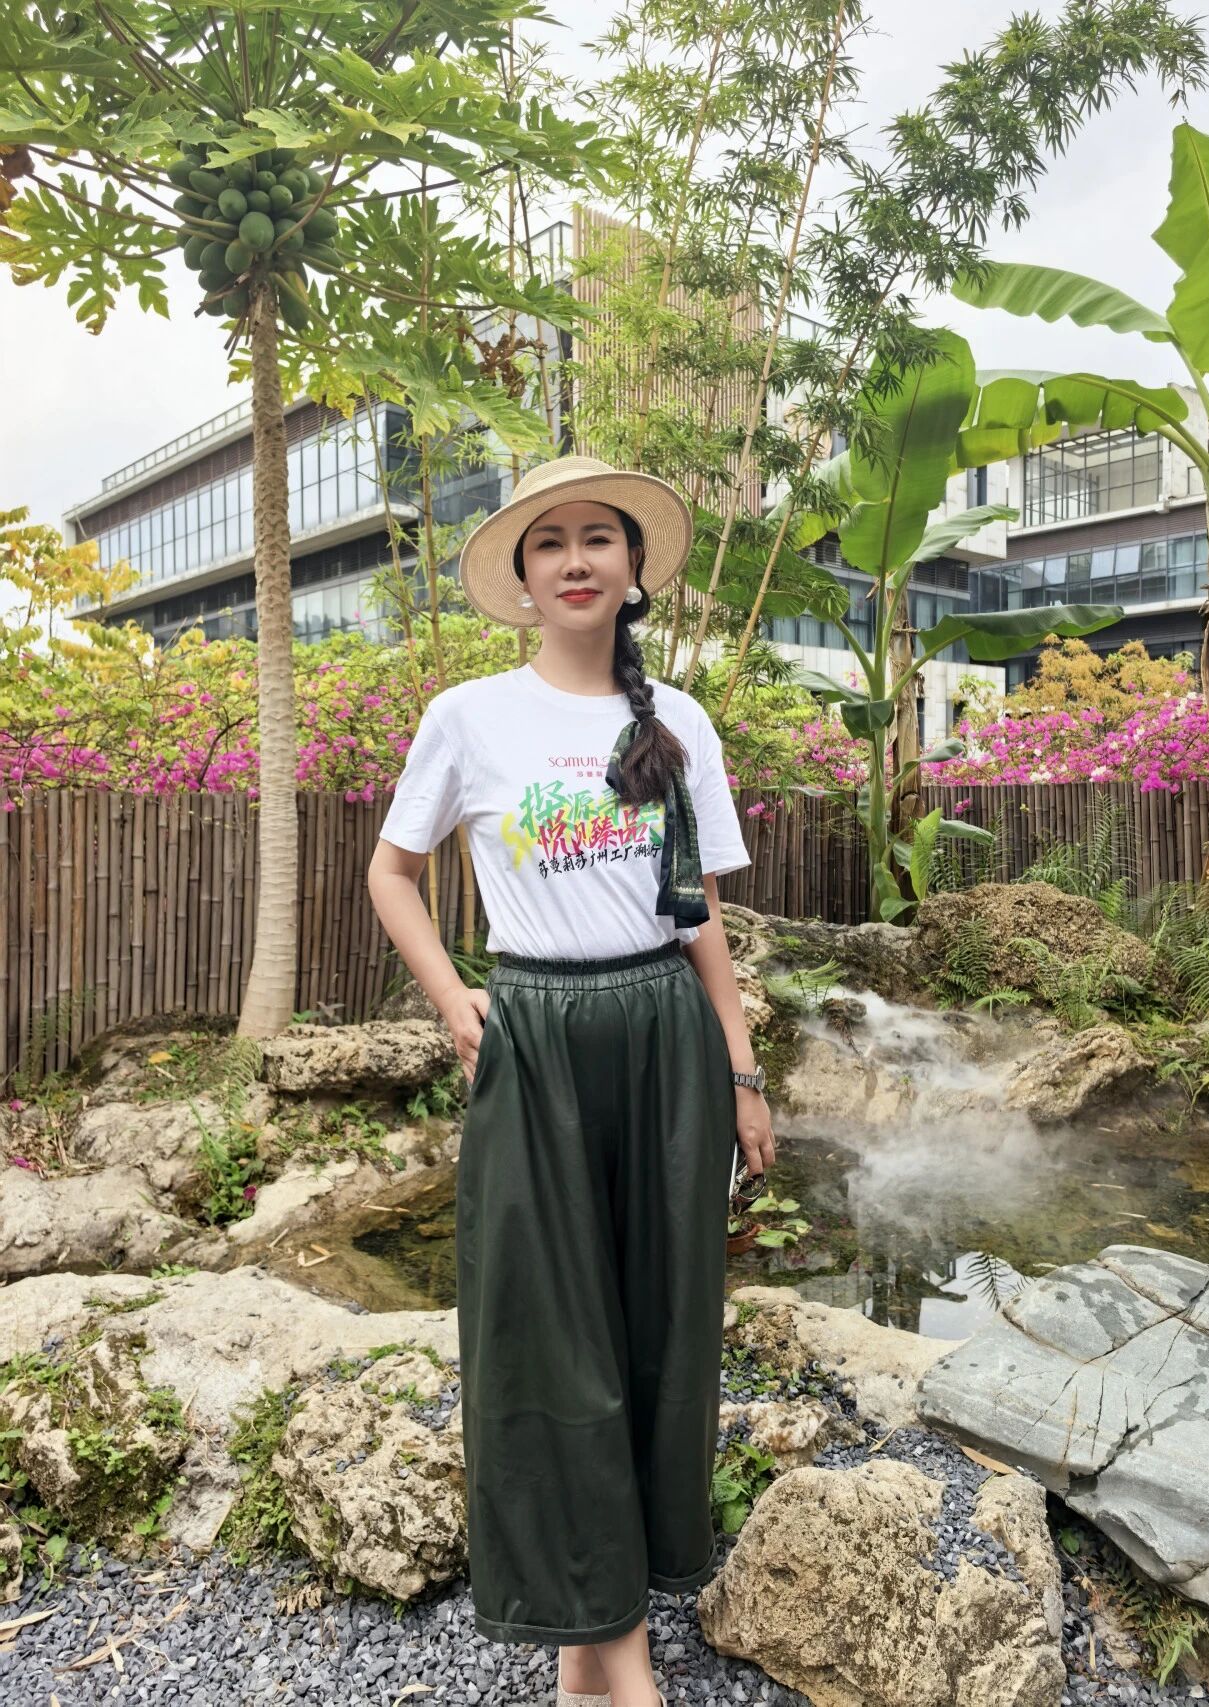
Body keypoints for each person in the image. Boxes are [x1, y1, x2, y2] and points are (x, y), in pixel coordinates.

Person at [367, 454, 776, 1707]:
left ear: (632, 567)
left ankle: (591, 1649)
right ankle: (613, 1657)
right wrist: (454, 1000)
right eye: (549, 542)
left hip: (663, 1033)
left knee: (660, 1331)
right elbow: (390, 873)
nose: (576, 559)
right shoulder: (468, 716)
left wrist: (741, 1070)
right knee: (547, 1345)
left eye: (598, 537)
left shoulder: (678, 720)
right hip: (535, 1036)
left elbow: (698, 913)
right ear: (523, 577)